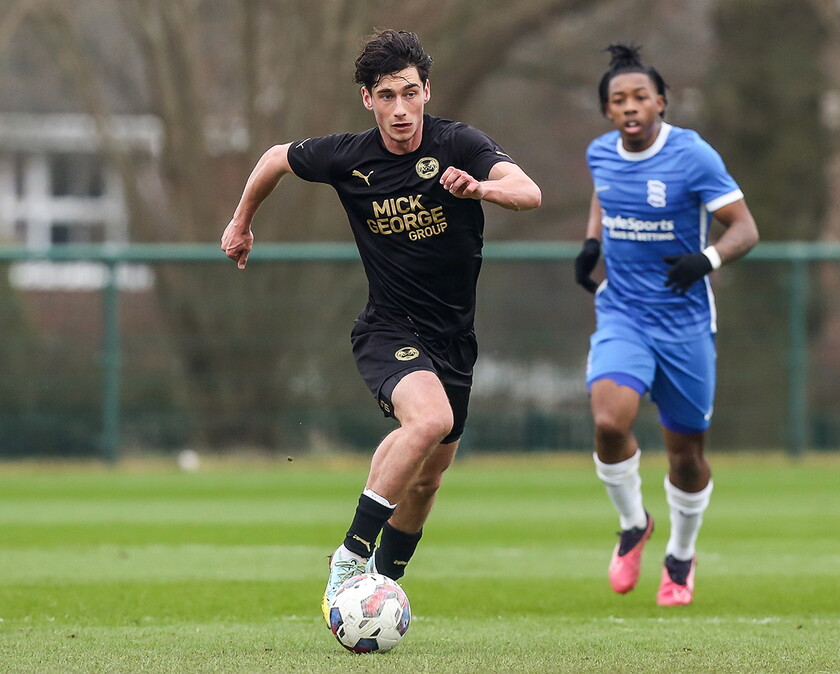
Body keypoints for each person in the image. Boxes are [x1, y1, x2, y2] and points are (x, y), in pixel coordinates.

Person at [220, 29, 541, 625]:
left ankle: (379, 593)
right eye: (387, 95)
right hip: (388, 328)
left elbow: (529, 192)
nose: (401, 109)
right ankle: (349, 558)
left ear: (427, 91)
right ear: (367, 99)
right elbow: (273, 159)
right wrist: (241, 223)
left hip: (454, 340)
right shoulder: (348, 156)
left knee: (427, 483)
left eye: (411, 93)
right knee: (431, 420)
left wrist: (483, 188)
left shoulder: (458, 145)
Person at [575, 44, 758, 606]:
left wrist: (707, 259)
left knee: (686, 454)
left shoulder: (693, 156)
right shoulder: (601, 154)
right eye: (617, 100)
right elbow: (604, 195)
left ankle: (680, 555)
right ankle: (634, 524)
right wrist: (591, 243)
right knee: (609, 420)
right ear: (607, 111)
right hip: (623, 312)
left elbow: (744, 228)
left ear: (660, 101)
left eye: (639, 97)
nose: (629, 107)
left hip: (684, 324)